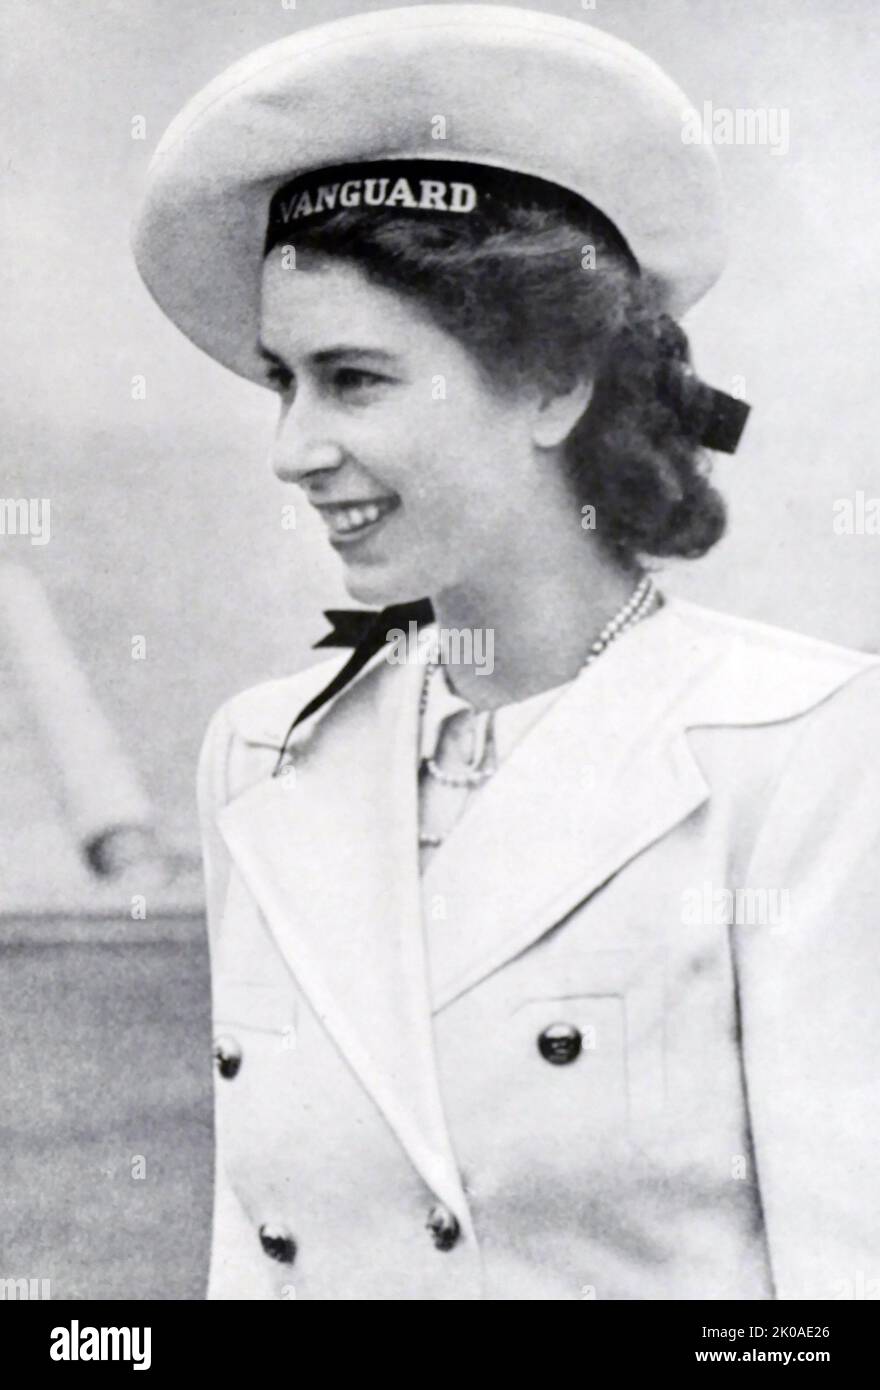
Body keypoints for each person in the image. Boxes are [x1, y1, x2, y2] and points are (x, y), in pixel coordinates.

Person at [134, 5, 880, 1300]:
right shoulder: (261, 755)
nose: (293, 446)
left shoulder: (801, 751)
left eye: (354, 378)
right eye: (282, 381)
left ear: (552, 383)